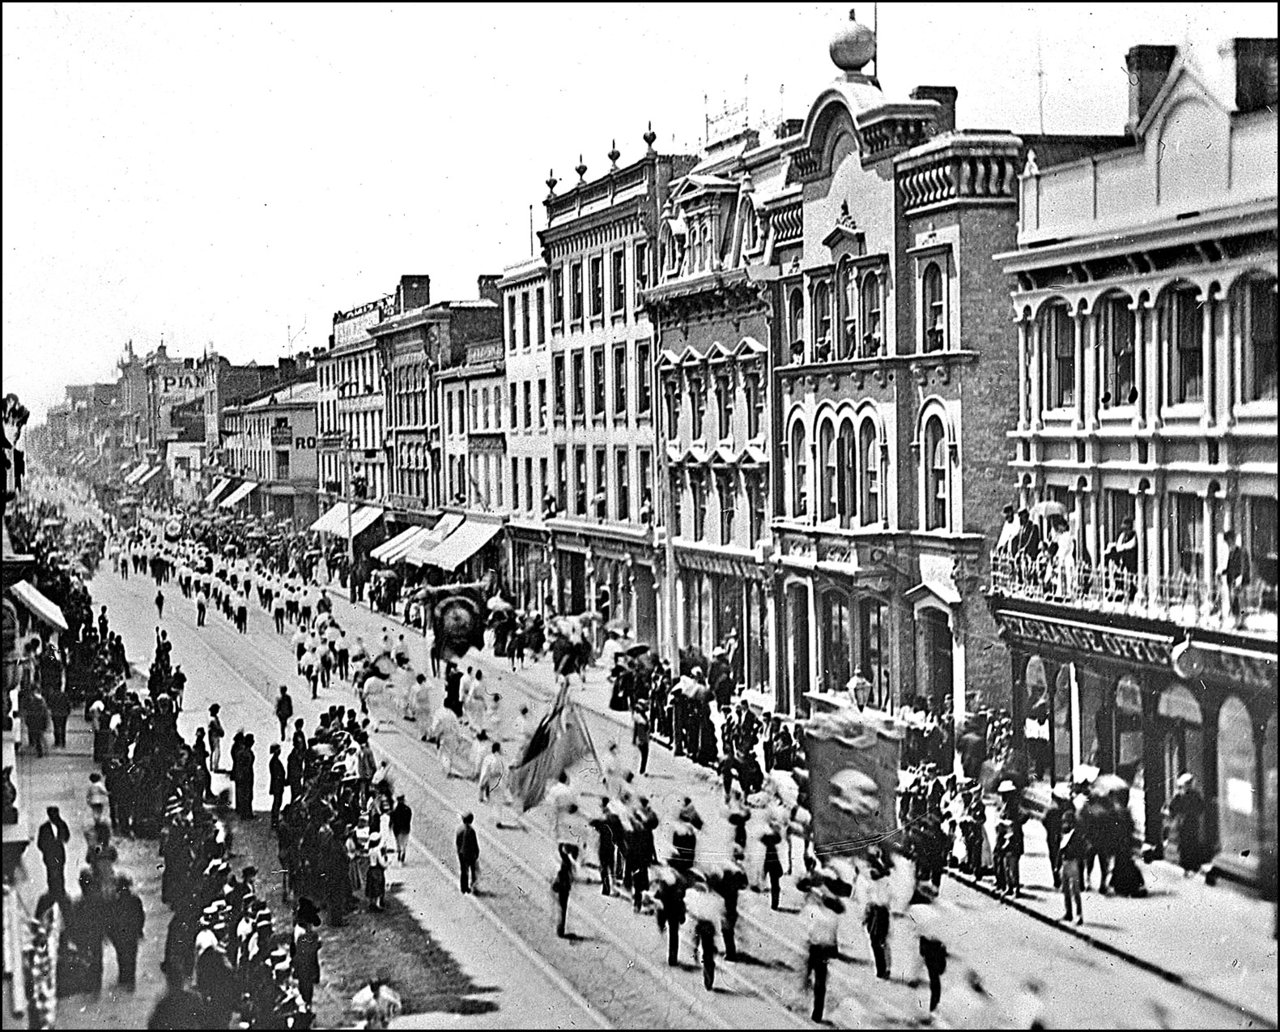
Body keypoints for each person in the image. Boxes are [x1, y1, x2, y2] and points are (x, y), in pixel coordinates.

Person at [804, 891, 840, 1022]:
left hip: (814, 946)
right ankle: (817, 1012)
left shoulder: (814, 912)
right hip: (825, 949)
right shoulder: (833, 916)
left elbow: (809, 929)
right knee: (821, 980)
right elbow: (833, 936)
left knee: (807, 972)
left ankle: (805, 990)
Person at [109, 873, 145, 989]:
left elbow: (111, 921)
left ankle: (124, 982)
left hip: (121, 936)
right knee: (130, 960)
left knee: (122, 959)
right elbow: (140, 917)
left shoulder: (115, 902)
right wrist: (139, 930)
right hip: (130, 935)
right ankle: (129, 983)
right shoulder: (134, 900)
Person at [1166, 772, 1207, 874]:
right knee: (1189, 842)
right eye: (1188, 783)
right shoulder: (1191, 795)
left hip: (1187, 822)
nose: (1189, 785)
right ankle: (1189, 863)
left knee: (1187, 842)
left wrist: (1176, 815)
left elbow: (1172, 808)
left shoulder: (1182, 795)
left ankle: (1187, 863)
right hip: (1188, 822)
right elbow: (1201, 807)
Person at [37, 805, 70, 898]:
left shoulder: (62, 824)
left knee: (60, 872)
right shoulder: (44, 828)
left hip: (59, 854)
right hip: (49, 855)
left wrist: (60, 840)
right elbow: (40, 843)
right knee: (51, 873)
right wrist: (47, 849)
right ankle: (52, 891)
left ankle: (61, 890)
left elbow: (67, 837)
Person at [1220, 528, 1251, 624]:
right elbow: (1230, 567)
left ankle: (1242, 621)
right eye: (1227, 543)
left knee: (1240, 602)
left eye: (1229, 542)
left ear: (1232, 540)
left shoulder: (1241, 551)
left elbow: (1244, 566)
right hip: (1232, 581)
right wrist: (1223, 572)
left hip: (1239, 581)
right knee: (1234, 602)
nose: (1228, 544)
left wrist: (1241, 577)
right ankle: (1237, 621)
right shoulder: (1231, 552)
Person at [553, 842, 578, 938]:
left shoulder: (565, 861)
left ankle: (560, 929)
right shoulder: (568, 863)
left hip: (562, 887)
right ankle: (560, 930)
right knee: (563, 909)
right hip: (564, 888)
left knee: (561, 909)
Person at [456, 812, 479, 894]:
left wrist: (459, 852)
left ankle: (463, 887)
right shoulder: (471, 831)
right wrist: (477, 852)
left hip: (462, 854)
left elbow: (457, 842)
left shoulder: (459, 829)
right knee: (473, 870)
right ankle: (473, 886)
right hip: (470, 854)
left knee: (463, 871)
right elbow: (475, 843)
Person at [268, 744, 287, 828]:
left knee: (277, 802)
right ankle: (274, 821)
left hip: (277, 784)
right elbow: (278, 774)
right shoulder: (275, 762)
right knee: (277, 803)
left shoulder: (274, 761)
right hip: (277, 785)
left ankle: (275, 820)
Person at [390, 795, 412, 865]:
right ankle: (403, 853)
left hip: (397, 829)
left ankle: (400, 853)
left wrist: (390, 826)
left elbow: (392, 820)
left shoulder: (395, 810)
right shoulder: (407, 809)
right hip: (406, 829)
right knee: (404, 842)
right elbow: (409, 819)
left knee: (398, 842)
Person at [208, 704, 225, 773]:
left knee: (214, 751)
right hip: (214, 736)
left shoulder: (214, 718)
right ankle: (215, 766)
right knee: (216, 751)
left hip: (214, 736)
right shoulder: (213, 719)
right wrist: (221, 732)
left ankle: (213, 766)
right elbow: (216, 728)